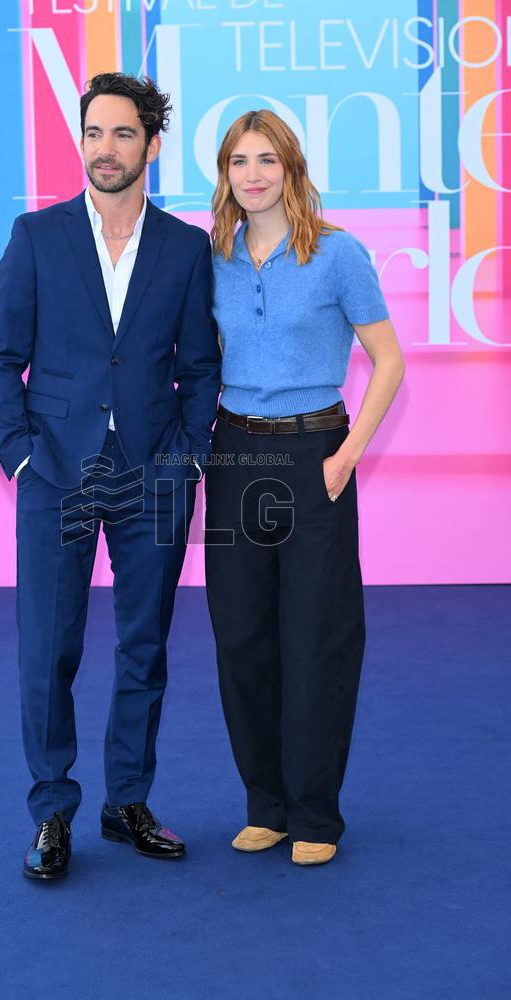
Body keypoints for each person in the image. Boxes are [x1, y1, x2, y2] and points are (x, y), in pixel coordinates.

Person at [0, 72, 220, 879]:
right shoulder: (36, 237)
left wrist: (183, 456)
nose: (105, 149)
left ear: (151, 145)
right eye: (93, 133)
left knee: (143, 645)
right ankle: (52, 811)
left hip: (153, 473)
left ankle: (127, 802)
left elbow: (201, 366)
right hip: (54, 470)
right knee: (49, 648)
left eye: (122, 134)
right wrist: (18, 456)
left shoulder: (185, 247)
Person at [205, 109, 405, 866]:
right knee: (242, 638)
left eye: (266, 159)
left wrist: (347, 454)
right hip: (234, 458)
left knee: (317, 640)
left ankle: (316, 813)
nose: (252, 174)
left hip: (313, 454)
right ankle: (267, 805)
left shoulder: (338, 254)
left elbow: (388, 361)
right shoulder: (214, 255)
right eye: (237, 162)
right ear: (224, 175)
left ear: (291, 167)